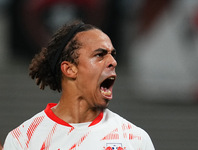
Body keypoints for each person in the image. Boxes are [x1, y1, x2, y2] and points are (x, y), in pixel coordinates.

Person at [3, 20, 155, 150]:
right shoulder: (23, 141)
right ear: (69, 69)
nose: (113, 62)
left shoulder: (135, 140)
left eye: (112, 54)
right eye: (100, 55)